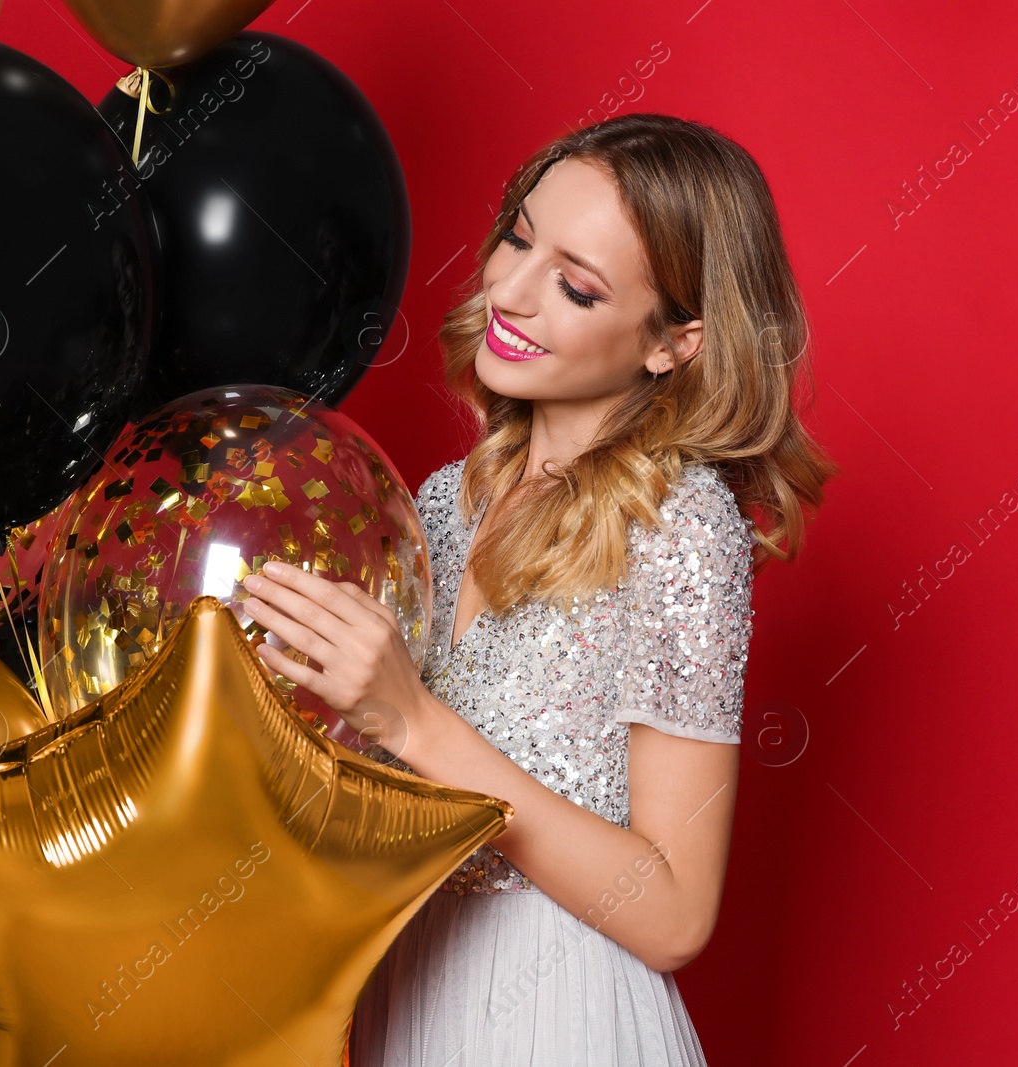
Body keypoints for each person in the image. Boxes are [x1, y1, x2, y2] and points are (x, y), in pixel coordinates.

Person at [239, 112, 838, 1066]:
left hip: (556, 1016)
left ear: (673, 343)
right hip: (405, 995)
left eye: (574, 284)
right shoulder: (445, 500)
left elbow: (678, 911)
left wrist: (412, 720)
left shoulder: (680, 527)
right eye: (517, 237)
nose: (509, 292)